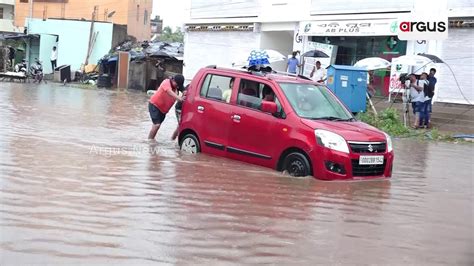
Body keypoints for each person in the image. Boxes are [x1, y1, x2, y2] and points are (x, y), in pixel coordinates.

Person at [148, 74, 185, 140]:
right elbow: (169, 91)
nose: (177, 86)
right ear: (173, 80)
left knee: (157, 126)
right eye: (177, 84)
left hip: (163, 110)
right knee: (157, 125)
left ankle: (152, 140)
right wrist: (179, 98)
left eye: (179, 85)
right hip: (154, 105)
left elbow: (185, 91)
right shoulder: (166, 82)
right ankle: (150, 141)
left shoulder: (178, 86)